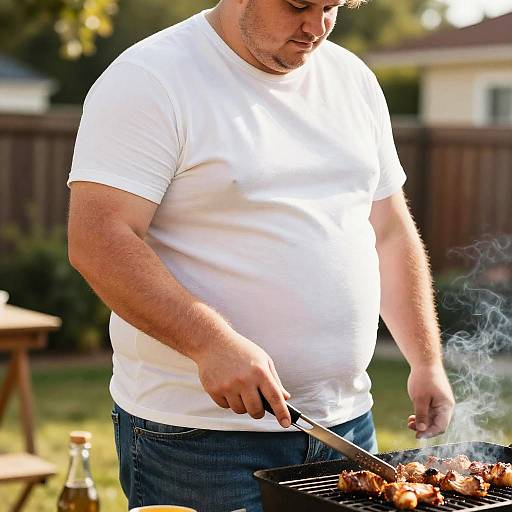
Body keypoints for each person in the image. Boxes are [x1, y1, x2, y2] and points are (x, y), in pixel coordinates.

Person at [67, 0, 455, 511]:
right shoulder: (150, 77)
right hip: (201, 441)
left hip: (348, 428)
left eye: (332, 7)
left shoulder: (353, 80)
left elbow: (388, 230)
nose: (316, 27)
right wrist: (211, 343)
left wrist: (426, 359)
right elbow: (98, 238)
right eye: (298, 5)